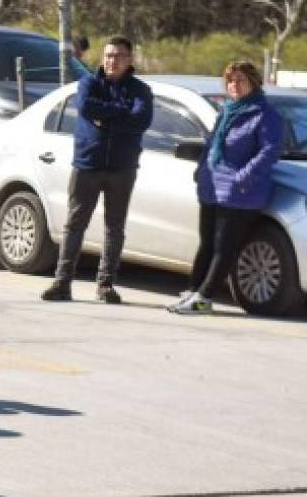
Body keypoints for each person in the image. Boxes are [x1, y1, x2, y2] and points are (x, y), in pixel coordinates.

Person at [41, 35, 153, 304]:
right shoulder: (88, 82)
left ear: (130, 60)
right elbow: (86, 106)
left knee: (114, 228)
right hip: (87, 164)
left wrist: (107, 117)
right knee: (75, 224)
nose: (112, 61)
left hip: (121, 168)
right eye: (108, 55)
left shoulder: (140, 90)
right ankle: (62, 282)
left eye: (119, 56)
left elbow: (140, 120)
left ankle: (105, 285)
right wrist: (120, 110)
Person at [169, 62, 283, 315]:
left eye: (240, 79)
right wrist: (201, 171)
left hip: (239, 193)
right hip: (212, 188)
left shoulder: (264, 114)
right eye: (230, 80)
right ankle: (193, 290)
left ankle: (204, 297)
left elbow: (270, 150)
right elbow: (212, 146)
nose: (234, 85)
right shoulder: (227, 111)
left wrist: (243, 176)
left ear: (253, 82)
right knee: (207, 243)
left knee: (224, 247)